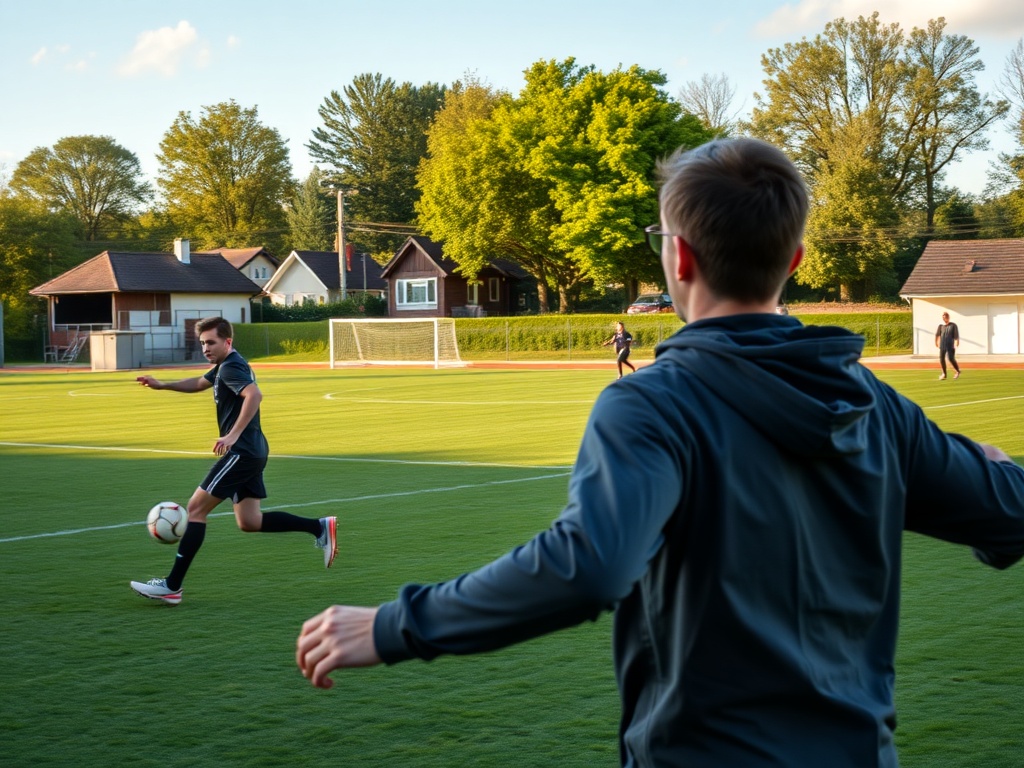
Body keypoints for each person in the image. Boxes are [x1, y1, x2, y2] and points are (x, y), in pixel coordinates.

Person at [295, 139, 1024, 766]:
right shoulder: (876, 404)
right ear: (794, 257)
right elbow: (1010, 511)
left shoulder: (652, 403)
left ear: (678, 256)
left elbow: (590, 566)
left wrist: (395, 624)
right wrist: (987, 468)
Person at [131, 316, 337, 605]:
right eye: (202, 343)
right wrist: (162, 385)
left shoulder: (232, 366)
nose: (205, 348)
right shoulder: (224, 366)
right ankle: (318, 527)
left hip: (241, 451)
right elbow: (199, 383)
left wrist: (231, 435)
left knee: (194, 510)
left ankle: (172, 586)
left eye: (211, 342)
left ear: (228, 341)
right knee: (250, 521)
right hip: (252, 451)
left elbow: (254, 394)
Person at [935, 311, 961, 380]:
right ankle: (944, 374)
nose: (944, 318)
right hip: (942, 345)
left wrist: (956, 343)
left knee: (951, 358)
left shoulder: (953, 325)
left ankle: (957, 371)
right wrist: (936, 342)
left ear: (948, 317)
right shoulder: (941, 326)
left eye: (946, 317)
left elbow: (956, 335)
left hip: (950, 345)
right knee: (941, 359)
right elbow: (937, 335)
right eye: (943, 317)